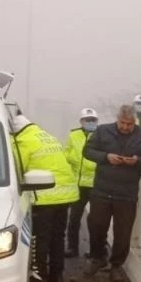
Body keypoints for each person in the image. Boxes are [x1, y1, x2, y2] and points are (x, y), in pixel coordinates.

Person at [84, 104, 141, 282]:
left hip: (126, 194)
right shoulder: (103, 131)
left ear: (134, 122)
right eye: (122, 123)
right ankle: (97, 257)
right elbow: (87, 151)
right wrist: (106, 157)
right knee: (96, 226)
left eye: (129, 124)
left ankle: (116, 265)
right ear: (117, 119)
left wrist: (137, 161)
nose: (125, 127)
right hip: (102, 190)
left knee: (123, 232)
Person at [11, 113, 79, 282]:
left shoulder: (22, 141)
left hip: (45, 195)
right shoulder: (45, 135)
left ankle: (38, 275)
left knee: (40, 237)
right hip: (65, 195)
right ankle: (57, 276)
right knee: (58, 236)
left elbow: (17, 169)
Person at [64, 107, 99, 257]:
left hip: (95, 184)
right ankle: (72, 248)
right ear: (81, 121)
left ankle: (97, 251)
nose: (91, 122)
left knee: (96, 221)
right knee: (74, 218)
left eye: (93, 120)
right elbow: (67, 153)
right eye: (88, 120)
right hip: (78, 185)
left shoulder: (101, 135)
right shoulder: (73, 135)